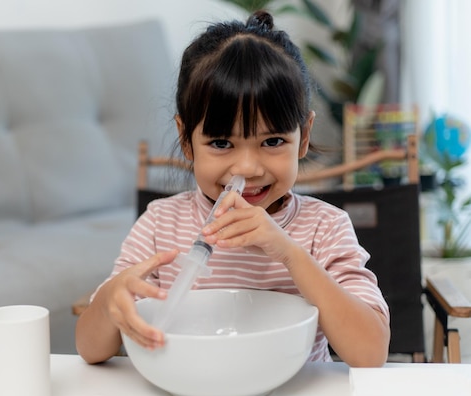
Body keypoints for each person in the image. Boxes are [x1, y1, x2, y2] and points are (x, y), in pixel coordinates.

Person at [75, 10, 390, 367]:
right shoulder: (159, 224)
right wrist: (109, 302)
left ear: (304, 137)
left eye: (272, 141)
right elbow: (90, 349)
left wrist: (291, 254)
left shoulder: (324, 229)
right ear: (186, 138)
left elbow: (371, 353)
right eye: (222, 144)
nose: (247, 168)